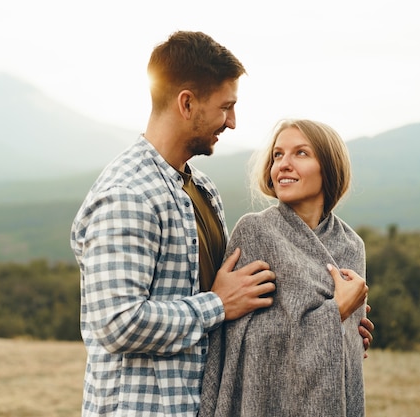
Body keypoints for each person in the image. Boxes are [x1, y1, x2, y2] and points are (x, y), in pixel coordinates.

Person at [71, 31, 373, 416]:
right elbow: (116, 323)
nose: (232, 122)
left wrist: (339, 331)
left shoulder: (202, 191)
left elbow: (249, 312)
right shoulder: (129, 193)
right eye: (226, 107)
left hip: (200, 404)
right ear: (186, 103)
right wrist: (216, 304)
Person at [199, 119, 370, 417]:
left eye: (301, 153)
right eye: (278, 155)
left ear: (328, 167)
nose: (283, 164)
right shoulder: (255, 232)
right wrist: (335, 313)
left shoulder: (351, 246)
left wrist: (350, 335)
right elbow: (241, 343)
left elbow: (347, 353)